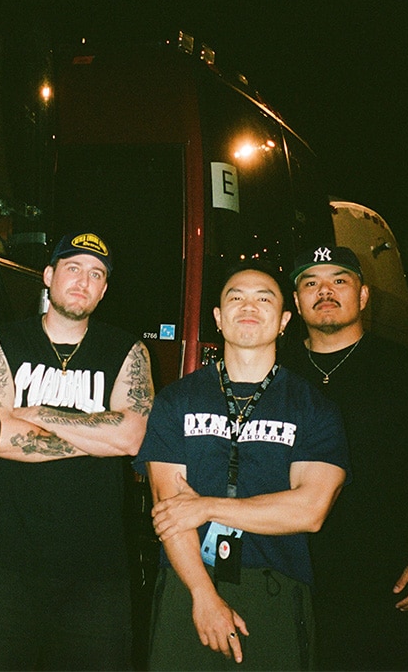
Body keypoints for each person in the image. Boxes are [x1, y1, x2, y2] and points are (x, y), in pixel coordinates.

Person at [0, 231, 155, 671]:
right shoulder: (1, 342)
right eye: (73, 268)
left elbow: (131, 437)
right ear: (48, 276)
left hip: (95, 573)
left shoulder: (126, 350)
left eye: (96, 274)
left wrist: (40, 413)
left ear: (104, 290)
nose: (83, 281)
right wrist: (96, 438)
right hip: (2, 566)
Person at [136, 261, 349, 670]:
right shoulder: (176, 400)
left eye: (263, 299)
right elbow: (169, 511)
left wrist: (206, 507)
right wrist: (203, 595)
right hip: (187, 583)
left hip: (275, 586)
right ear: (218, 318)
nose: (248, 306)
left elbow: (311, 509)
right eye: (236, 297)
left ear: (284, 321)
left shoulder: (313, 407)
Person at [283, 245, 408, 671]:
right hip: (288, 580)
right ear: (296, 301)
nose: (325, 291)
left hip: (387, 586)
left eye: (339, 281)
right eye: (311, 283)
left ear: (364, 295)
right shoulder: (273, 373)